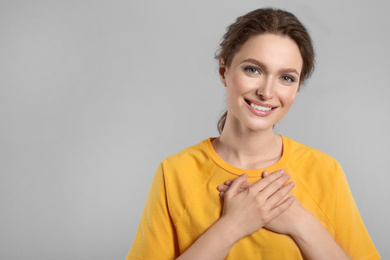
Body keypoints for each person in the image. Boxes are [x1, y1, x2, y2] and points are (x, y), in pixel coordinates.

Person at [126, 8, 380, 260]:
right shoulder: (174, 173)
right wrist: (232, 227)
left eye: (286, 78)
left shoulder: (325, 171)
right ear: (224, 70)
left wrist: (303, 225)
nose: (267, 92)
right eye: (253, 70)